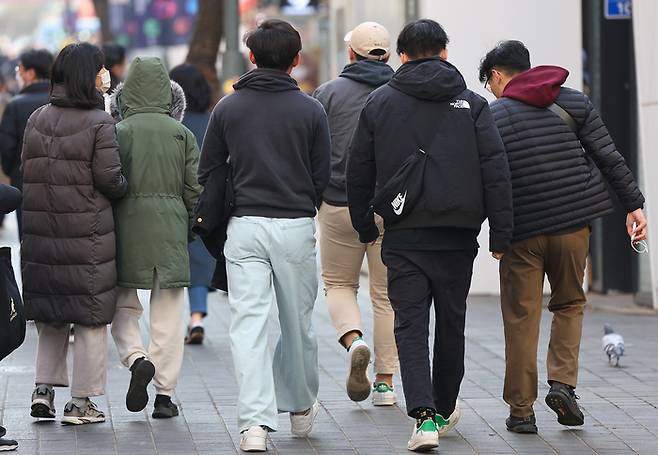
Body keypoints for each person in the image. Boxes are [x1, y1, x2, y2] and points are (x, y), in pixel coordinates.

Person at [346, 19, 513, 452]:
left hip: (403, 233)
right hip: (458, 235)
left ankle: (422, 417)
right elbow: (496, 171)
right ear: (444, 52)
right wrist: (501, 233)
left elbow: (358, 169)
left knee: (410, 324)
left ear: (402, 56)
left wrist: (366, 226)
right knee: (452, 323)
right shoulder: (473, 105)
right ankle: (443, 406)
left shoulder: (380, 103)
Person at [479, 40, 647, 434]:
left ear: (498, 76)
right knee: (570, 304)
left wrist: (497, 238)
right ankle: (562, 385)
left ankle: (521, 411)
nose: (491, 90)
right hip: (573, 226)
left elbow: (490, 183)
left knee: (522, 318)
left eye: (489, 82)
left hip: (522, 233)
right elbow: (609, 156)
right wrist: (634, 206)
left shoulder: (493, 117)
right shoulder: (573, 102)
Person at [199, 19, 330, 452]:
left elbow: (210, 171)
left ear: (251, 58)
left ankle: (254, 426)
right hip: (293, 225)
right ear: (296, 60)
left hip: (244, 228)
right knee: (298, 325)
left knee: (248, 327)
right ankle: (298, 405)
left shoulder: (227, 108)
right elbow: (321, 176)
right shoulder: (311, 109)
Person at [22, 42, 127, 425]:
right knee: (89, 317)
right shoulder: (99, 123)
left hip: (41, 233)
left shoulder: (36, 118)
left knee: (52, 313)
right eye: (101, 69)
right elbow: (110, 180)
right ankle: (80, 403)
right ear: (90, 75)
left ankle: (43, 391)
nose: (106, 74)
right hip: (88, 234)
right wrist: (123, 184)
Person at [109, 56, 201, 419]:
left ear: (126, 92)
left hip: (125, 228)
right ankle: (164, 395)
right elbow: (194, 188)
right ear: (167, 93)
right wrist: (190, 227)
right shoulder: (182, 134)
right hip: (170, 229)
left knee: (123, 305)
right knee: (168, 314)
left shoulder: (118, 131)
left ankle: (136, 358)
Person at [312, 22, 398, 406]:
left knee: (339, 284)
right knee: (386, 295)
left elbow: (314, 151)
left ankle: (354, 339)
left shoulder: (327, 94)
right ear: (389, 55)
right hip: (390, 207)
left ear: (351, 54)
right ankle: (384, 383)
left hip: (338, 203)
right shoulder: (399, 93)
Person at [169, 63, 216, 345]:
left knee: (177, 260)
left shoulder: (174, 125)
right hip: (207, 200)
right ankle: (196, 317)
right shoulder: (213, 120)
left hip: (175, 200)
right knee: (200, 259)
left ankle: (172, 321)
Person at [0, 49, 54, 238]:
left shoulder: (15, 105)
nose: (19, 74)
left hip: (24, 184)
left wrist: (13, 173)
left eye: (20, 69)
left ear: (30, 73)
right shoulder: (60, 100)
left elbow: (7, 149)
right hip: (62, 184)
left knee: (30, 238)